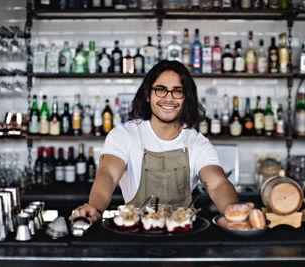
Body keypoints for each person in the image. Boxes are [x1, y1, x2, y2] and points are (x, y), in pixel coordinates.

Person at [70, 60, 238, 223]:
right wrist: (95, 208)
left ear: (186, 98)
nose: (169, 98)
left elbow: (217, 184)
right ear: (148, 96)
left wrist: (235, 211)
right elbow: (108, 175)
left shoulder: (197, 142)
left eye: (177, 91)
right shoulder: (124, 135)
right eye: (160, 89)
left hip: (182, 237)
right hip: (136, 235)